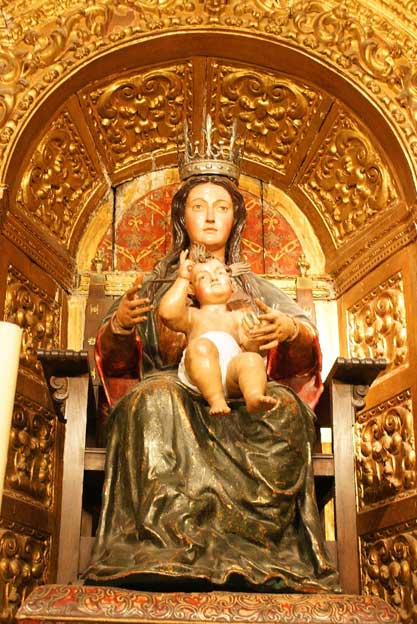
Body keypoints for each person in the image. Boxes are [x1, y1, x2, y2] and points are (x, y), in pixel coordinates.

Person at [84, 171, 340, 593]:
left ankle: (266, 546)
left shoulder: (256, 287)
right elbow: (117, 359)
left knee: (285, 410)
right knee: (151, 401)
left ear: (235, 219)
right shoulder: (159, 286)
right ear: (181, 217)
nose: (209, 217)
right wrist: (120, 325)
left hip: (243, 388)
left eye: (221, 208)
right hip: (176, 387)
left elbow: (303, 344)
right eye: (198, 207)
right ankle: (163, 542)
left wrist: (289, 331)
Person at [159, 247, 280, 415]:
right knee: (201, 347)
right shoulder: (192, 315)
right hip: (200, 371)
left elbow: (253, 348)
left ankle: (254, 396)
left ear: (232, 284)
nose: (214, 278)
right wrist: (183, 278)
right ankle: (216, 400)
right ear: (191, 289)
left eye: (220, 273)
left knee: (252, 359)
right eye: (203, 276)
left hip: (232, 372)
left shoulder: (239, 316)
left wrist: (257, 337)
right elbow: (167, 313)